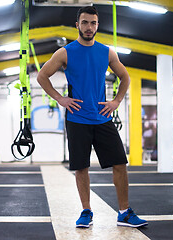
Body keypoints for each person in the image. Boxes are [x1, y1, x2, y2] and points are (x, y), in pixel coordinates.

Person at [37, 6, 147, 228]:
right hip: (77, 119)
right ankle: (86, 211)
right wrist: (60, 98)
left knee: (120, 164)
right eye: (85, 23)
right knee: (81, 167)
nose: (89, 27)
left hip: (103, 118)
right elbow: (42, 76)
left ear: (98, 25)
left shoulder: (107, 52)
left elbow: (125, 77)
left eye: (93, 23)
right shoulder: (65, 53)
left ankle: (124, 213)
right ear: (77, 25)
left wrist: (116, 101)